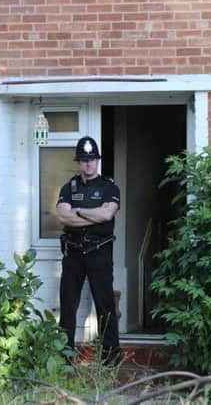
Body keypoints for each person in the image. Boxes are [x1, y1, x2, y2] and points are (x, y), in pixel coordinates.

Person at [56, 136, 121, 365]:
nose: (88, 164)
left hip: (99, 252)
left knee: (105, 306)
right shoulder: (69, 187)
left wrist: (79, 211)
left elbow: (107, 214)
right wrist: (92, 216)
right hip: (73, 253)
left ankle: (110, 358)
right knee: (68, 306)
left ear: (98, 160)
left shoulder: (109, 187)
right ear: (78, 162)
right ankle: (65, 357)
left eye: (92, 159)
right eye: (84, 160)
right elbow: (63, 215)